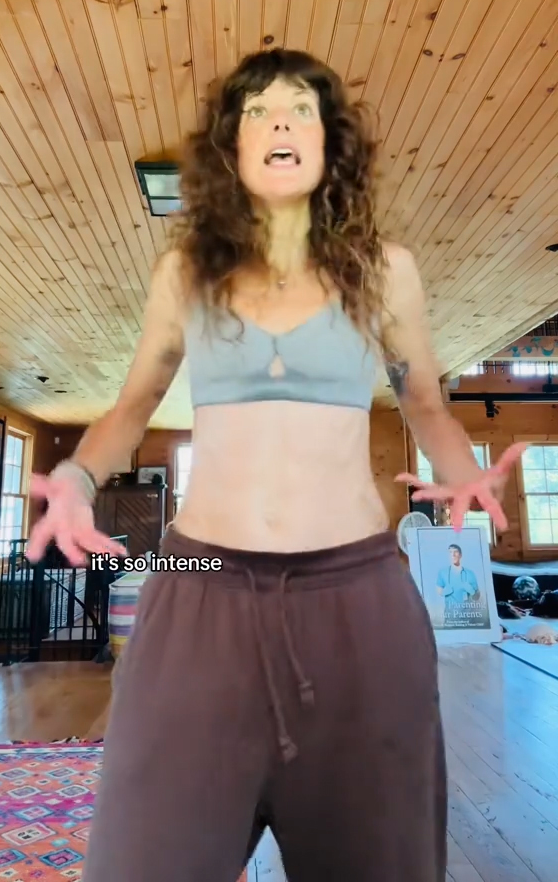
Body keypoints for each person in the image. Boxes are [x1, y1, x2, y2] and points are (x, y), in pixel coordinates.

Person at [27, 48, 526, 882]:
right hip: (195, 583)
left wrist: (460, 467)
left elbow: (426, 403)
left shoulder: (383, 269)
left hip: (357, 597)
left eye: (299, 107)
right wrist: (76, 477)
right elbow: (130, 408)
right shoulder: (185, 273)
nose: (279, 121)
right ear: (232, 146)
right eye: (256, 110)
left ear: (330, 142)